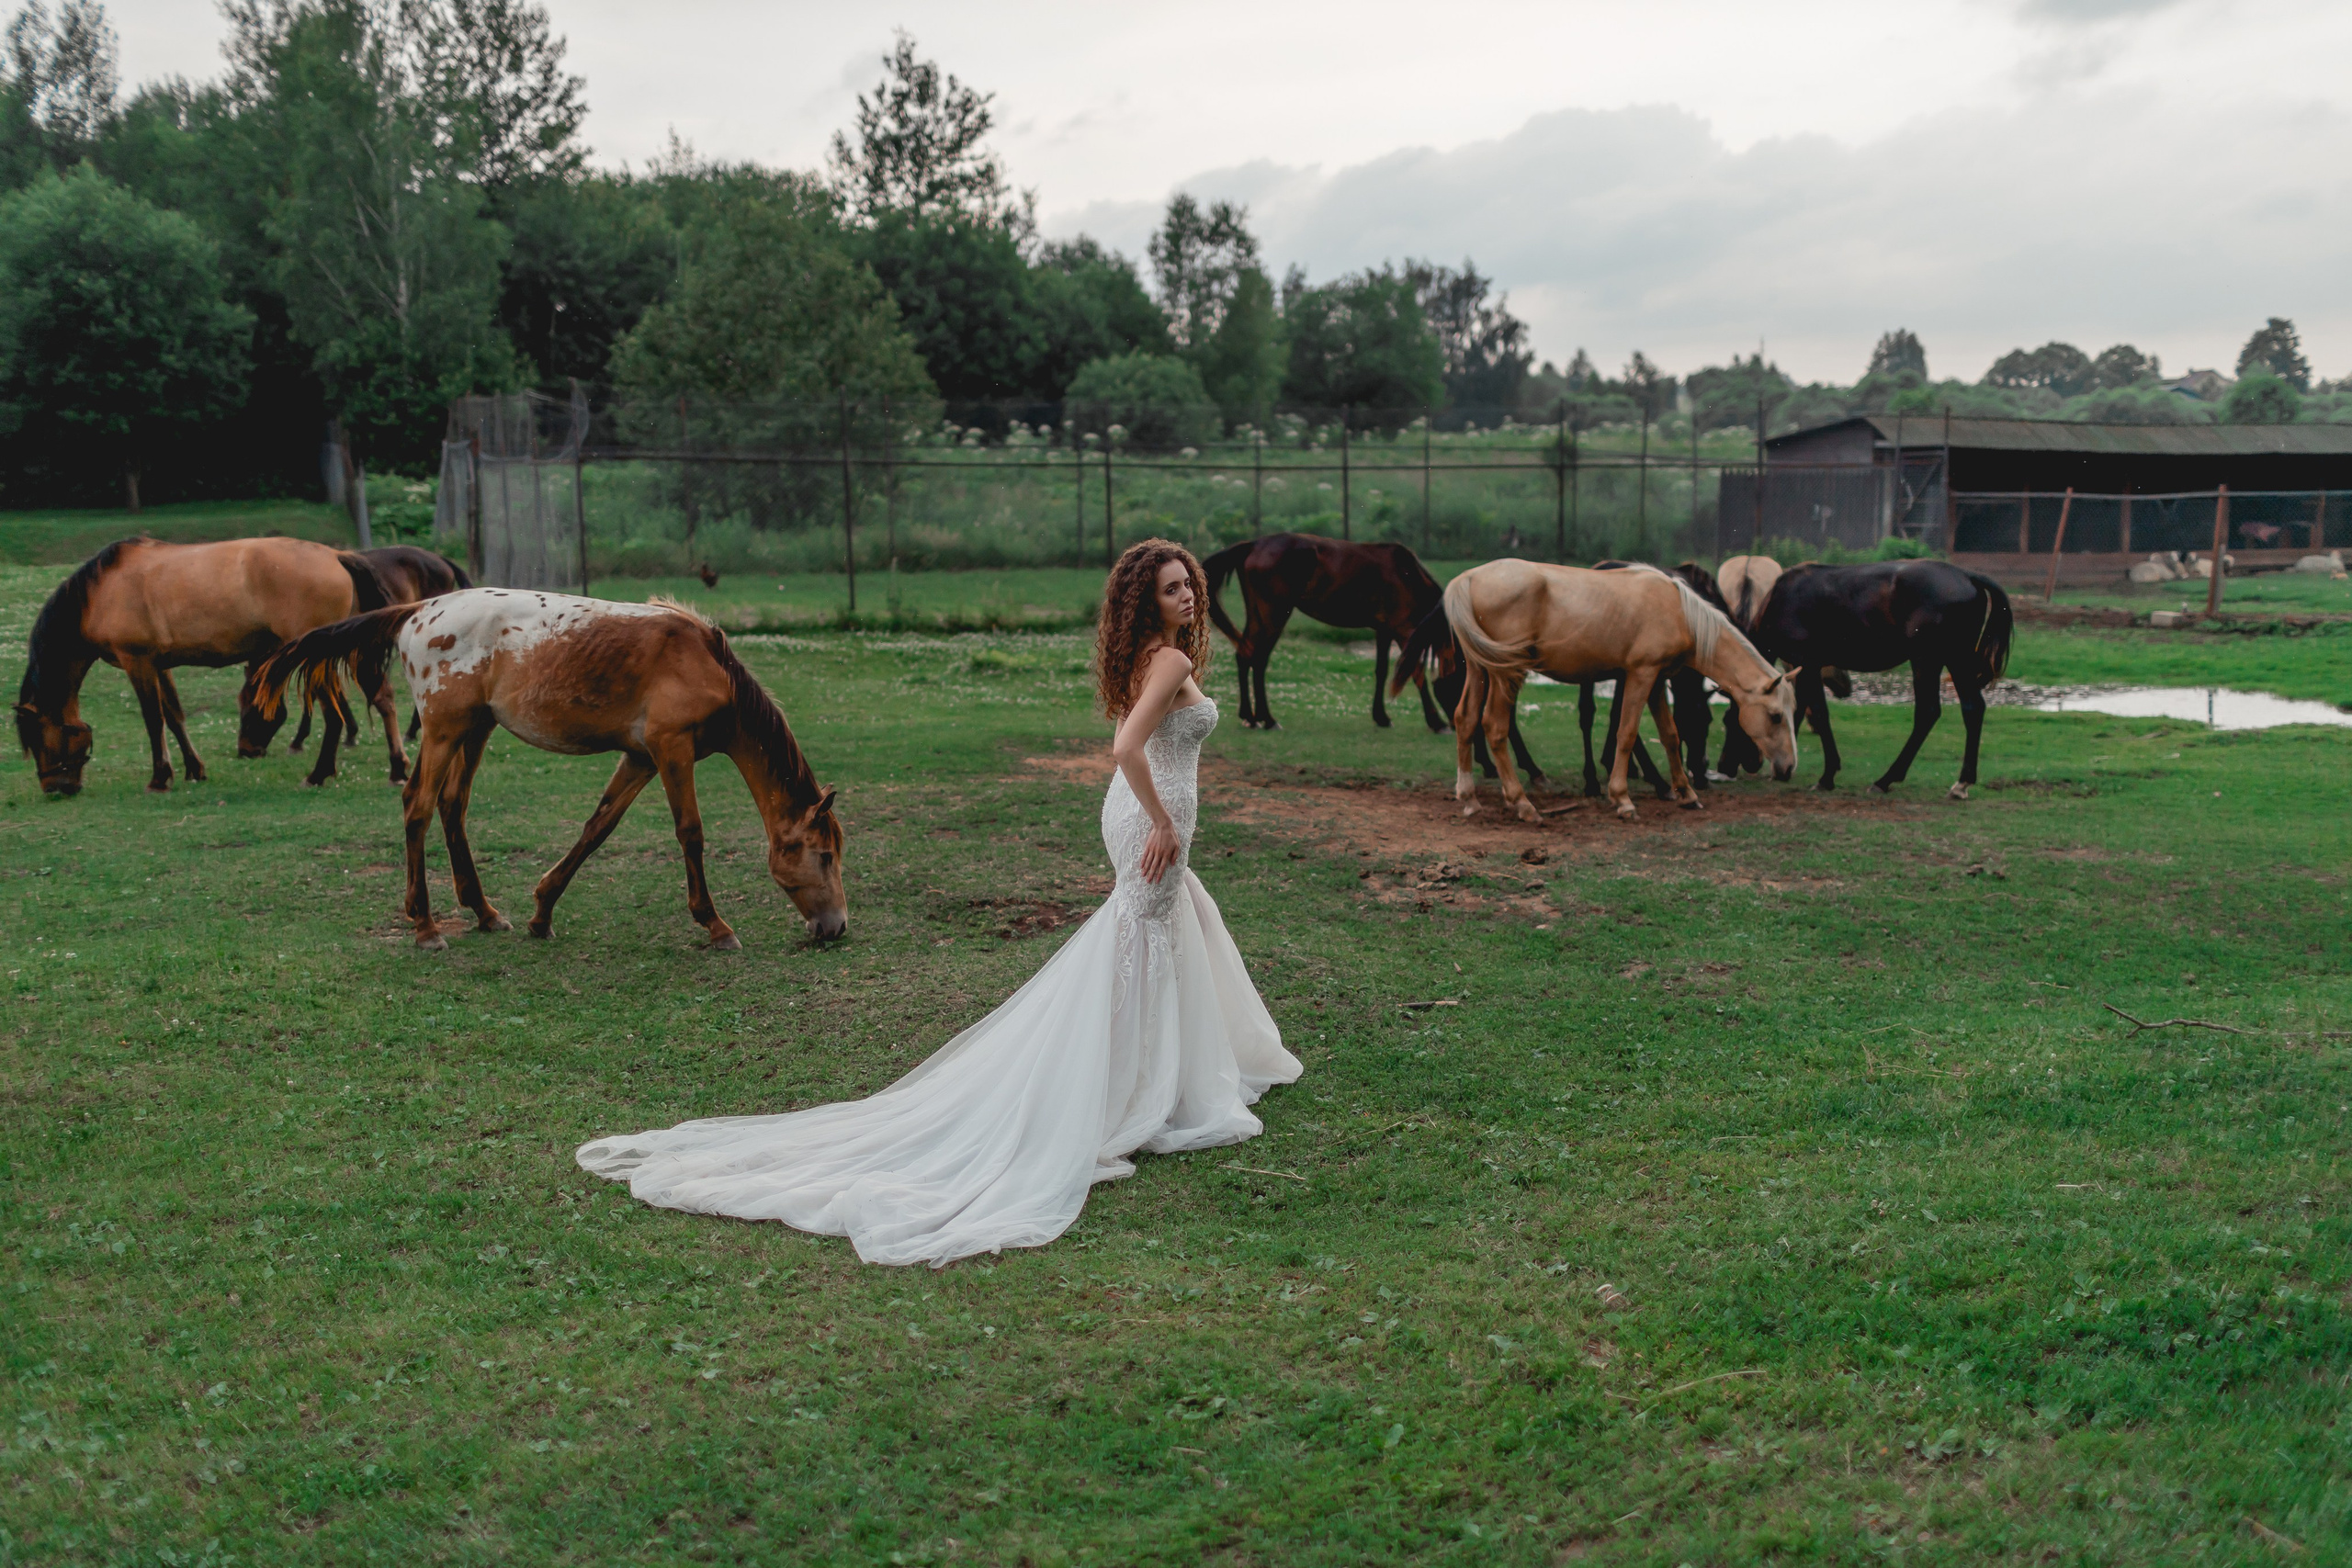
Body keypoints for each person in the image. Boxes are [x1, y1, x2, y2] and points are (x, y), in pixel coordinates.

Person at [576, 540, 1301, 1267]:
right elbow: (1125, 747)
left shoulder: (1150, 652)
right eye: (1174, 589)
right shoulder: (1169, 661)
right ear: (1148, 600)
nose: (1190, 598)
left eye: (1191, 587)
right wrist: (1166, 822)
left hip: (1137, 818)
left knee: (1154, 932)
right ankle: (1137, 1086)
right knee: (1142, 937)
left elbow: (1134, 739)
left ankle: (1159, 1073)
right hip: (1149, 820)